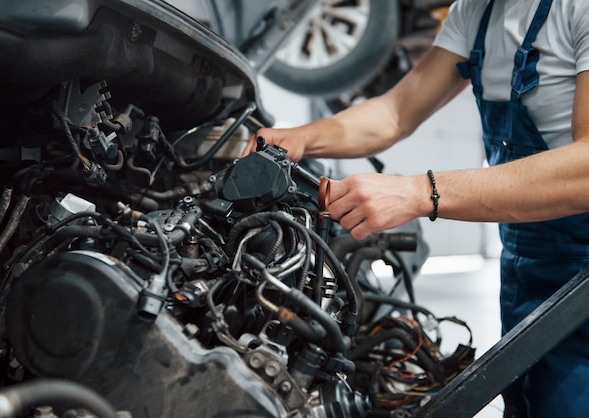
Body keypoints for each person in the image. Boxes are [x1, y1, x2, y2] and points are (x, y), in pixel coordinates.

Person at [242, 0, 589, 416]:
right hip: (524, 261)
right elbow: (395, 113)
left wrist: (418, 193)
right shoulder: (476, 12)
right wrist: (303, 137)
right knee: (529, 401)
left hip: (581, 276)